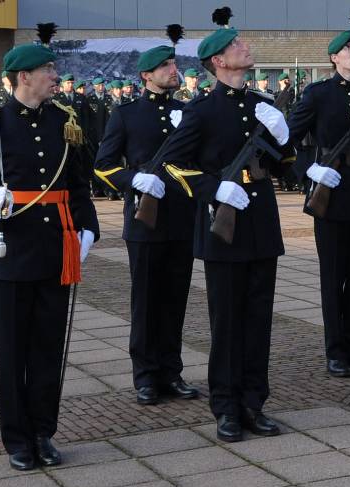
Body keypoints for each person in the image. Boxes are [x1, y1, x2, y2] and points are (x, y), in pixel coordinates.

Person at [158, 7, 294, 442]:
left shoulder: (263, 106)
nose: (245, 47)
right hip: (224, 222)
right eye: (236, 44)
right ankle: (226, 407)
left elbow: (286, 165)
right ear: (218, 61)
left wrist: (284, 137)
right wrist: (214, 188)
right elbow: (171, 165)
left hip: (261, 223)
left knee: (258, 319)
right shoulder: (201, 110)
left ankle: (254, 403)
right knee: (228, 320)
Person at [0, 42, 99, 470]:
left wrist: (88, 227)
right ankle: (17, 439)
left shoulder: (64, 121)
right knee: (12, 350)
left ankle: (43, 431)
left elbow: (77, 185)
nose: (55, 76)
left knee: (47, 347)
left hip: (55, 249)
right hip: (11, 251)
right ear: (24, 77)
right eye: (48, 69)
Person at [94, 45, 198, 405]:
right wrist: (133, 180)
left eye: (174, 63)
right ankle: (145, 375)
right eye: (165, 66)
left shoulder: (186, 112)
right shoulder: (126, 115)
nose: (173, 70)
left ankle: (172, 371)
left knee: (175, 299)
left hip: (182, 219)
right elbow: (103, 164)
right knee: (147, 300)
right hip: (145, 219)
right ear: (146, 76)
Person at [287, 10, 350, 378]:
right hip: (330, 190)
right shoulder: (317, 95)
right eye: (348, 48)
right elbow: (286, 139)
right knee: (333, 275)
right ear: (334, 57)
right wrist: (306, 169)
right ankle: (335, 351)